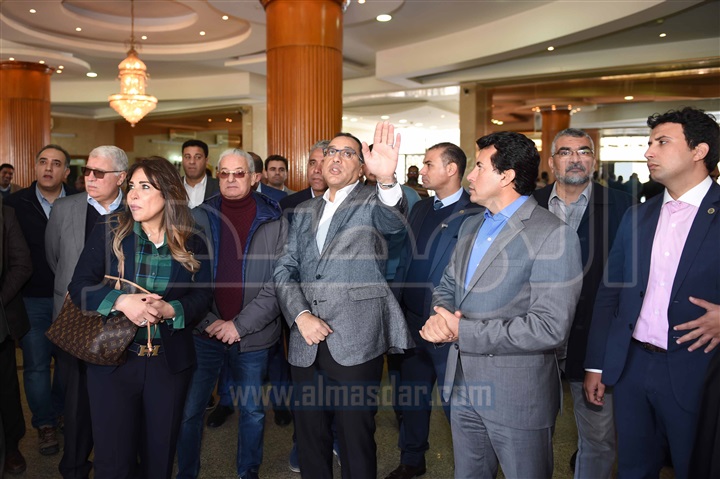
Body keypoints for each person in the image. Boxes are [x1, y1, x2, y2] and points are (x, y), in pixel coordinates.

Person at [420, 131, 582, 478]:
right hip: (463, 385)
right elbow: (447, 286)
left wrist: (462, 331)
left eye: (480, 166)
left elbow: (549, 327)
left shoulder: (552, 233)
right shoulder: (470, 226)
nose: (470, 175)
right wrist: (440, 317)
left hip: (517, 395)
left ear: (506, 176)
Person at [584, 107, 720, 479]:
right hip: (632, 368)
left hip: (701, 371)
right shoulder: (638, 216)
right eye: (649, 143)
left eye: (662, 142)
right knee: (633, 468)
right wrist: (596, 364)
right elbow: (610, 294)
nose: (648, 152)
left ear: (699, 151)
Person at [273, 121, 413, 478]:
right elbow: (284, 270)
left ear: (362, 166)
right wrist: (300, 315)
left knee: (355, 438)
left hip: (356, 340)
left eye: (347, 153)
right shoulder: (304, 211)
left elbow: (393, 221)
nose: (335, 158)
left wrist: (386, 180)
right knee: (310, 437)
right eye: (330, 152)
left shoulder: (372, 201)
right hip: (306, 342)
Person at [68, 157, 212, 479]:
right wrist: (121, 301)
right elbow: (79, 286)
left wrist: (172, 310)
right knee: (112, 460)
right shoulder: (109, 229)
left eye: (144, 187)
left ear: (169, 193)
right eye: (131, 186)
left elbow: (203, 296)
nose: (132, 195)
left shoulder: (193, 238)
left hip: (168, 364)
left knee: (159, 458)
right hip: (113, 359)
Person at [176, 149, 284, 479]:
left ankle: (247, 472)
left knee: (252, 411)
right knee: (190, 410)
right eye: (224, 173)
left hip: (253, 335)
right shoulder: (198, 217)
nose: (231, 179)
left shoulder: (276, 220)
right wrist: (209, 322)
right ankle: (186, 473)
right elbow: (185, 276)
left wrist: (239, 326)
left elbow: (279, 284)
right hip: (204, 332)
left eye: (239, 173)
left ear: (255, 178)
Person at [534, 129, 634, 478]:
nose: (575, 159)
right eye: (565, 152)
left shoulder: (623, 206)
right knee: (529, 433)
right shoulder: (528, 204)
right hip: (533, 339)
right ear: (552, 162)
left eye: (584, 152)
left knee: (599, 437)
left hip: (595, 338)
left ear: (594, 160)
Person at [386, 142, 481, 479]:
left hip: (447, 326)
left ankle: (471, 468)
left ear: (451, 169)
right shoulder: (421, 207)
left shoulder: (477, 212)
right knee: (412, 396)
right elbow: (405, 258)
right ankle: (412, 458)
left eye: (428, 164)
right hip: (411, 321)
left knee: (456, 402)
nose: (421, 170)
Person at [45, 145, 128, 479]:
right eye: (87, 171)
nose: (90, 178)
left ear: (121, 177)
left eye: (99, 172)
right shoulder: (65, 208)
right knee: (76, 401)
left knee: (120, 400)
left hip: (122, 321)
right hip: (75, 317)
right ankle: (75, 467)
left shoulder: (137, 208)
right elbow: (55, 258)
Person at [5, 144, 74, 456]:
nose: (48, 168)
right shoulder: (15, 203)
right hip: (31, 298)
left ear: (66, 171)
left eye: (56, 163)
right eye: (43, 162)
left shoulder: (80, 201)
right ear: (34, 167)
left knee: (67, 365)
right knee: (35, 365)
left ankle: (59, 412)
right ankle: (44, 424)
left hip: (71, 299)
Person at [0, 200, 33, 475]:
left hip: (0, 318)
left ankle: (11, 446)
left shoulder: (5, 214)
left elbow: (22, 265)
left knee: (6, 387)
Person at [182, 140, 220, 208]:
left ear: (206, 161)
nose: (192, 162)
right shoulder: (171, 187)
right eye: (187, 157)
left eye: (198, 157)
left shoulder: (219, 188)